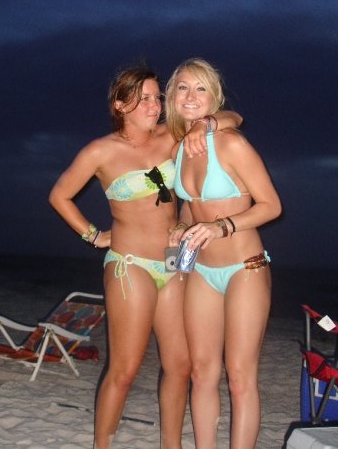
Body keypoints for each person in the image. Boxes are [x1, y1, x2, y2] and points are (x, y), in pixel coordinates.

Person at [49, 65, 242, 449]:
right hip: (130, 264)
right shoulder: (101, 151)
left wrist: (205, 125)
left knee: (180, 365)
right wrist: (93, 235)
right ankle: (102, 444)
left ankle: (171, 445)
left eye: (157, 97)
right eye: (144, 99)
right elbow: (59, 195)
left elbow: (234, 118)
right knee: (124, 370)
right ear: (120, 105)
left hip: (172, 263)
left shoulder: (173, 135)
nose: (155, 106)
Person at [166, 58, 282, 449]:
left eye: (201, 88)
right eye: (183, 87)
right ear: (172, 96)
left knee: (239, 376)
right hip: (201, 272)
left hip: (244, 268)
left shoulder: (231, 143)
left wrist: (222, 226)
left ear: (214, 97)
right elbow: (192, 204)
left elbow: (271, 206)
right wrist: (181, 226)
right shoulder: (179, 149)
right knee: (202, 373)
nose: (191, 96)